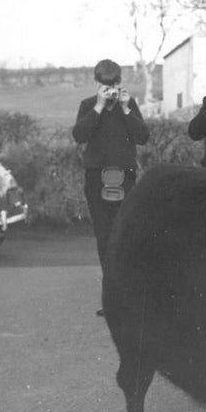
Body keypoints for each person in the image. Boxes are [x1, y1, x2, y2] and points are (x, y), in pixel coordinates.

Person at [72, 59, 150, 313]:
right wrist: (98, 106)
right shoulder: (88, 106)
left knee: (124, 237)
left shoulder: (128, 105)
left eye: (114, 84)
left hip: (125, 178)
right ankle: (112, 299)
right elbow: (79, 135)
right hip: (97, 179)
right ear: (98, 84)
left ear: (120, 83)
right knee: (104, 238)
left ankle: (127, 297)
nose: (111, 90)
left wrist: (126, 109)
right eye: (106, 85)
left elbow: (142, 137)